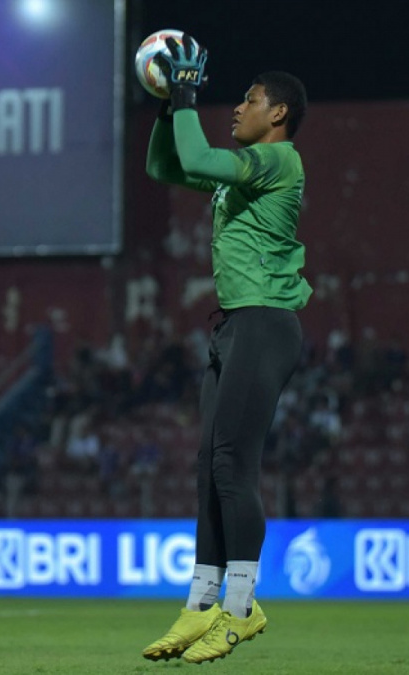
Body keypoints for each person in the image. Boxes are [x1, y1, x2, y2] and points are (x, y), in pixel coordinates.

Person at [140, 36, 311, 664]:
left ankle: (240, 607)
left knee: (233, 465)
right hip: (236, 327)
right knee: (206, 469)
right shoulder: (242, 175)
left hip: (266, 322)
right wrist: (166, 106)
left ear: (279, 116)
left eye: (251, 99)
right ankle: (199, 604)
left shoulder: (281, 161)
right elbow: (166, 167)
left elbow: (198, 156)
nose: (238, 108)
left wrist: (184, 97)